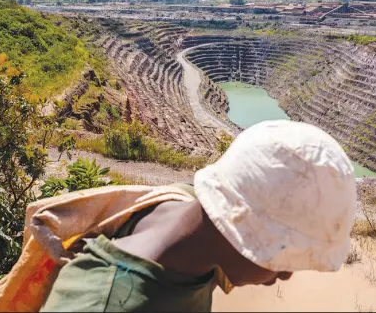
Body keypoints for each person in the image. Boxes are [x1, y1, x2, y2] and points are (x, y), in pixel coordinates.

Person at [40, 120, 356, 312]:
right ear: (238, 230)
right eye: (283, 255)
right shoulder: (103, 304)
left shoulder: (192, 225)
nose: (286, 275)